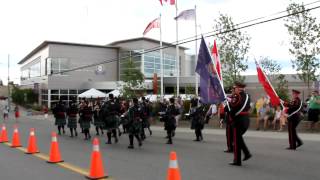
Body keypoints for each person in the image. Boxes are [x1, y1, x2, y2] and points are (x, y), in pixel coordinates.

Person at [229, 82, 252, 166]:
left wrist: (231, 116)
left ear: (238, 88)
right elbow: (248, 107)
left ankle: (238, 159)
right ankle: (245, 154)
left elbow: (233, 107)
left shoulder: (237, 96)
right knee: (238, 139)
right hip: (246, 119)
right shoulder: (247, 96)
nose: (234, 90)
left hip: (238, 120)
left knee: (236, 139)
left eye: (235, 88)